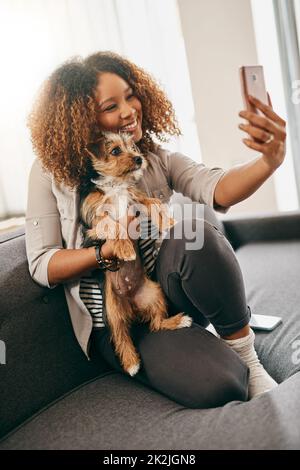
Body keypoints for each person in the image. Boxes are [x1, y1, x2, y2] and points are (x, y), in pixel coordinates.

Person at [25, 51, 286, 409]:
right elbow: (42, 264)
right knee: (221, 386)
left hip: (162, 292)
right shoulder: (49, 173)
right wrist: (104, 252)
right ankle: (204, 340)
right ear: (83, 120)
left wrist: (270, 161)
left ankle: (246, 353)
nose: (130, 110)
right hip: (115, 317)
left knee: (195, 233)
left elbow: (218, 188)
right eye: (111, 106)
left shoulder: (154, 157)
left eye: (131, 95)